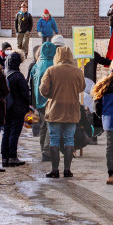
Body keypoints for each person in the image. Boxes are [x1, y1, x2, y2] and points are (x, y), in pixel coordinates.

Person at [39, 45, 85, 178]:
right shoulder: (77, 71)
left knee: (54, 139)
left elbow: (43, 90)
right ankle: (67, 170)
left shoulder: (51, 70)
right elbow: (82, 87)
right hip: (72, 110)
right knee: (69, 139)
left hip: (55, 110)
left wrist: (52, 94)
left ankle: (54, 170)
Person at [30, 39, 58, 161]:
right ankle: (46, 152)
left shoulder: (36, 66)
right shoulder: (54, 66)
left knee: (42, 126)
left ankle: (43, 148)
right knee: (50, 126)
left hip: (38, 100)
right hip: (51, 100)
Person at [2, 51, 30, 167]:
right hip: (17, 109)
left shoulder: (5, 74)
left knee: (6, 132)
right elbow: (25, 94)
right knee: (14, 133)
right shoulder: (18, 76)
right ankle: (12, 156)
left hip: (6, 108)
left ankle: (4, 157)